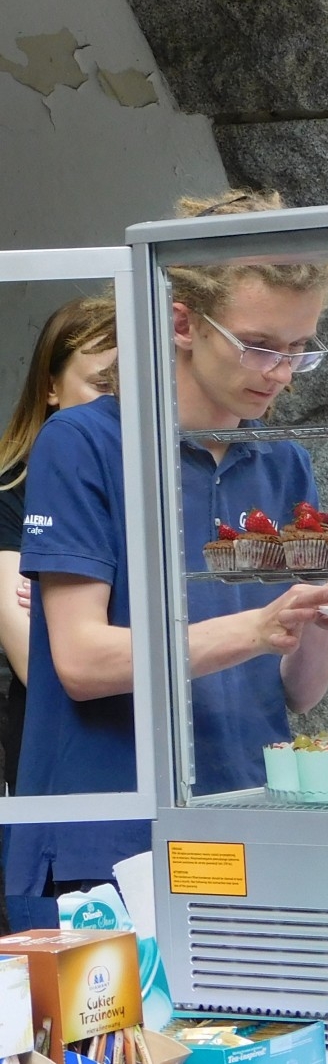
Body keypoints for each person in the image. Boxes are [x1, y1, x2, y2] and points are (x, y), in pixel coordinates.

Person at [7, 189, 328, 928]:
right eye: (261, 344)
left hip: (250, 812)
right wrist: (260, 628)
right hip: (103, 839)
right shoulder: (82, 443)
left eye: (301, 349)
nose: (283, 371)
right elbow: (79, 660)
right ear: (180, 322)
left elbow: (295, 693)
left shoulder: (284, 460)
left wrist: (327, 615)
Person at [0, 297, 119, 795]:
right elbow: (38, 662)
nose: (117, 403)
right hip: (63, 758)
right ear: (51, 387)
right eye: (102, 385)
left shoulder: (148, 485)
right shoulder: (12, 494)